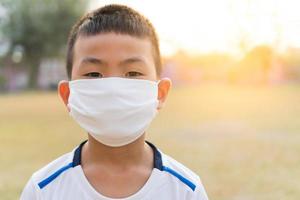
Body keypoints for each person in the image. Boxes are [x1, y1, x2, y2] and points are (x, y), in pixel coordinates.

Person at [20, 4, 208, 200]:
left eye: (133, 73)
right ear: (68, 95)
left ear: (160, 93)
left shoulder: (185, 191)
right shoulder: (43, 191)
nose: (113, 88)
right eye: (94, 74)